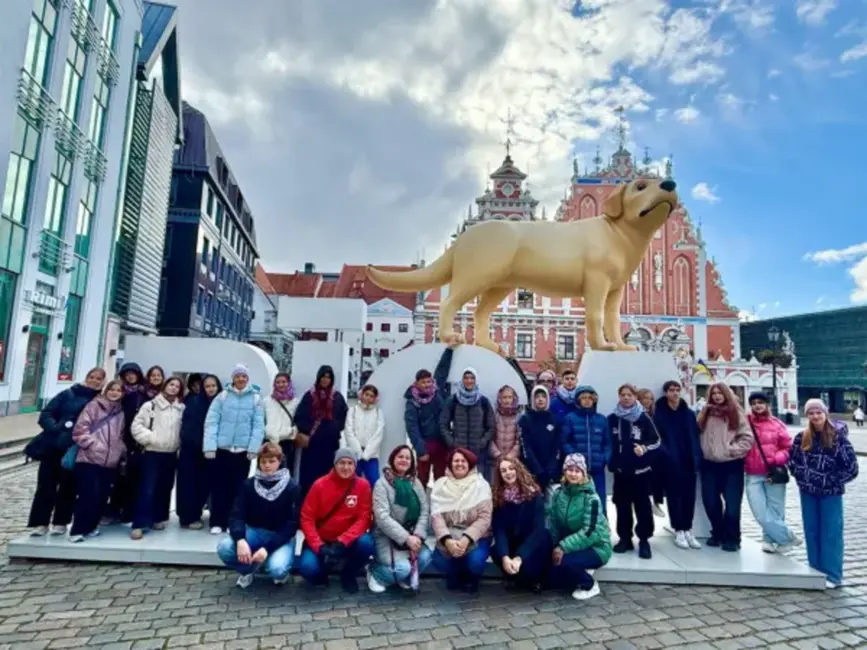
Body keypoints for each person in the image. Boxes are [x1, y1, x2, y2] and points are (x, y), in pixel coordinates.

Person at [26, 367, 105, 536]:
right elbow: (47, 413)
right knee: (46, 486)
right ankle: (40, 523)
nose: (95, 381)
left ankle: (60, 522)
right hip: (54, 446)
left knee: (68, 487)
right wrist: (56, 429)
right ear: (86, 377)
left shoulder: (99, 400)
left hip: (75, 448)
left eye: (99, 378)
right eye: (92, 377)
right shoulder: (68, 393)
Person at [789, 399, 858, 588]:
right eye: (811, 413)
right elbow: (793, 461)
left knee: (831, 532)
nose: (815, 416)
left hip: (830, 493)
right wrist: (802, 477)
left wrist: (830, 480)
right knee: (811, 530)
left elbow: (851, 468)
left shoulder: (838, 438)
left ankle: (833, 574)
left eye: (818, 412)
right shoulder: (801, 437)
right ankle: (815, 570)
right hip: (808, 491)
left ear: (825, 413)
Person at [217, 442, 302, 588]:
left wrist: (267, 549)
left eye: (271, 461)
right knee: (225, 548)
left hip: (280, 536)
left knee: (277, 568)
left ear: (279, 461)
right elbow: (237, 515)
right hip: (255, 531)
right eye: (263, 461)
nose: (267, 465)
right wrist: (240, 540)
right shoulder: (248, 485)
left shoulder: (292, 487)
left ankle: (276, 567)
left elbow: (291, 525)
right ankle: (247, 570)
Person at [298, 448, 374, 593]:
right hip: (322, 539)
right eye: (342, 463)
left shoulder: (363, 485)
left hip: (347, 541)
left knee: (367, 543)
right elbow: (307, 518)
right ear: (335, 464)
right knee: (308, 568)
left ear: (355, 466)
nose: (346, 467)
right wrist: (318, 545)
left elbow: (364, 518)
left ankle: (348, 573)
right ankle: (322, 572)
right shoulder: (319, 485)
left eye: (350, 463)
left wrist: (344, 540)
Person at [204, 364, 266, 534]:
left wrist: (253, 447)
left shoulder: (255, 398)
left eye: (244, 376)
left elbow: (258, 426)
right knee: (219, 488)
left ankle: (234, 523)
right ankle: (217, 521)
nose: (241, 379)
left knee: (238, 490)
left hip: (242, 452)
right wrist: (210, 446)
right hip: (222, 450)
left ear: (248, 378)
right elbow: (212, 422)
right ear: (233, 378)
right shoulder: (222, 397)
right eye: (238, 376)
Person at [367, 445, 433, 593]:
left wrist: (417, 535)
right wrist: (406, 538)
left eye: (408, 458)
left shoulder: (415, 483)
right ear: (393, 459)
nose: (404, 460)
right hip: (387, 537)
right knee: (402, 568)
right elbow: (382, 517)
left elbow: (424, 510)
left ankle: (401, 578)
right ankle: (376, 573)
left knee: (426, 556)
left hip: (412, 535)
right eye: (400, 457)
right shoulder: (381, 484)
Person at [547, 454, 612, 600]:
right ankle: (579, 568)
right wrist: (551, 545)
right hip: (572, 544)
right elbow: (554, 523)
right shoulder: (559, 494)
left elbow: (590, 532)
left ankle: (589, 584)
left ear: (583, 473)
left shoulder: (592, 499)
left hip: (596, 547)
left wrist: (562, 547)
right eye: (570, 469)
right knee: (551, 576)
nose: (573, 474)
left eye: (578, 470)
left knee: (566, 563)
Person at [697, 382, 754, 551]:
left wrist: (731, 450)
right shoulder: (705, 413)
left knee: (732, 505)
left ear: (726, 394)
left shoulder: (735, 412)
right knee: (711, 503)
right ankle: (718, 533)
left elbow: (747, 438)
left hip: (731, 465)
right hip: (709, 465)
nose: (716, 396)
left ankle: (733, 538)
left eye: (720, 393)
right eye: (713, 393)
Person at [69, 380, 127, 542]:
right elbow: (80, 431)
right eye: (112, 389)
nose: (115, 393)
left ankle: (92, 526)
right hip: (89, 458)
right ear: (105, 390)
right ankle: (78, 530)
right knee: (88, 495)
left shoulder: (120, 412)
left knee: (102, 496)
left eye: (118, 390)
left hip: (110, 461)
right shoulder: (93, 406)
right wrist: (93, 445)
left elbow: (120, 435)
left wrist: (119, 450)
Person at [608, 383, 660, 559]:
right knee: (622, 507)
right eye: (623, 394)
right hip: (622, 472)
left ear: (635, 397)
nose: (626, 397)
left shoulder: (644, 418)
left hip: (641, 472)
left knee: (643, 507)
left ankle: (644, 540)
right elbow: (609, 443)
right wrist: (612, 461)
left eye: (630, 394)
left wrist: (644, 448)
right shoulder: (613, 418)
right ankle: (625, 539)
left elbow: (656, 441)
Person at [430, 448, 493, 593]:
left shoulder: (481, 485)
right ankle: (455, 572)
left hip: (477, 537)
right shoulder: (440, 485)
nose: (459, 464)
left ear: (469, 464)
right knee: (437, 560)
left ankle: (471, 577)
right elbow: (436, 516)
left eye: (463, 461)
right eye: (456, 461)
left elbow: (484, 518)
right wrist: (448, 541)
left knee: (475, 563)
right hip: (451, 535)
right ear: (450, 464)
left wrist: (466, 539)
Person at [130, 376, 185, 540]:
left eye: (177, 386)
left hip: (171, 453)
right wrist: (151, 438)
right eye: (171, 384)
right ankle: (139, 523)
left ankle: (158, 518)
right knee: (147, 488)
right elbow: (137, 426)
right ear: (165, 386)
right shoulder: (150, 405)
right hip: (152, 453)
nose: (174, 388)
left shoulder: (181, 408)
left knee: (165, 487)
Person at [744, 391, 799, 553]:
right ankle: (788, 537)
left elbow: (788, 447)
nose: (757, 406)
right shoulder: (745, 422)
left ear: (767, 404)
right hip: (752, 473)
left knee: (776, 509)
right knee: (760, 511)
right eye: (754, 403)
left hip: (773, 472)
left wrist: (778, 458)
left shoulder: (777, 424)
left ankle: (770, 539)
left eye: (760, 402)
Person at [107, 363, 162, 524]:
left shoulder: (142, 394)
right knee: (119, 479)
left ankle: (130, 512)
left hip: (140, 442)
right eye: (127, 374)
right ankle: (115, 510)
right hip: (121, 440)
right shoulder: (121, 393)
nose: (130, 377)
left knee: (136, 480)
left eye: (133, 374)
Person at [652, 381, 702, 550]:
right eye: (671, 390)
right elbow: (658, 437)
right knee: (675, 498)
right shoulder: (659, 413)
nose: (674, 393)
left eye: (677, 390)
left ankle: (688, 529)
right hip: (670, 462)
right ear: (665, 393)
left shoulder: (688, 413)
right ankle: (678, 529)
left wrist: (696, 457)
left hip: (688, 461)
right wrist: (666, 455)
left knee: (689, 497)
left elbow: (695, 436)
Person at [491, 457, 550, 592]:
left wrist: (519, 557)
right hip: (513, 541)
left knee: (529, 569)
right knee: (497, 551)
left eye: (512, 468)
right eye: (503, 470)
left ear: (518, 470)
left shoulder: (533, 493)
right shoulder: (498, 497)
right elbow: (499, 530)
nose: (508, 473)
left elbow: (538, 530)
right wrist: (505, 557)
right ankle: (513, 576)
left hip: (533, 543)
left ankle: (536, 580)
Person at [404, 344, 456, 487]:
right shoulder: (412, 401)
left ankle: (439, 507)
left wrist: (450, 350)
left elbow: (442, 370)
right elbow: (411, 427)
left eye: (428, 381)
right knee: (421, 480)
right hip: (425, 444)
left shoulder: (437, 391)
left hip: (442, 442)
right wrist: (421, 450)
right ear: (417, 383)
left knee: (442, 480)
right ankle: (421, 508)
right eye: (423, 382)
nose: (427, 384)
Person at [294, 365, 349, 497]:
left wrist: (333, 428)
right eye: (323, 377)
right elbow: (299, 417)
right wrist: (309, 429)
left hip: (329, 445)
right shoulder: (310, 395)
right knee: (309, 478)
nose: (325, 380)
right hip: (312, 445)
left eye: (328, 377)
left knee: (328, 476)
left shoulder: (337, 397)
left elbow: (343, 417)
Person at [177, 374, 222, 529]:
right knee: (190, 485)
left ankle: (200, 514)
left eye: (213, 386)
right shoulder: (195, 403)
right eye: (207, 386)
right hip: (192, 451)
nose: (210, 389)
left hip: (213, 453)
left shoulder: (222, 403)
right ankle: (187, 517)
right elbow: (188, 428)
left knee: (205, 485)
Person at [440, 368, 496, 478]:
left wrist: (482, 442)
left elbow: (491, 426)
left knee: (478, 484)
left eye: (472, 378)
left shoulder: (483, 401)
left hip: (478, 452)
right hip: (459, 452)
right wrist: (452, 443)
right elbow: (443, 424)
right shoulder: (453, 400)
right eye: (466, 378)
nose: (469, 381)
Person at [561, 385, 610, 506]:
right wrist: (574, 458)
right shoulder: (570, 418)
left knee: (599, 502)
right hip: (576, 471)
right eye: (584, 398)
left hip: (597, 469)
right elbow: (563, 441)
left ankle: (602, 524)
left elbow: (607, 443)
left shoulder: (602, 420)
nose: (587, 400)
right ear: (578, 400)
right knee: (578, 504)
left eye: (590, 398)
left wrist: (604, 459)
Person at [518, 385, 561, 490]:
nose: (540, 399)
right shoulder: (526, 419)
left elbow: (557, 445)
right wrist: (536, 468)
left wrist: (552, 466)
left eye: (543, 396)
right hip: (532, 469)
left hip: (550, 470)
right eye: (537, 397)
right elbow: (525, 445)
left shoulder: (553, 419)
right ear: (533, 399)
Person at [342, 384, 385, 486]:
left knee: (374, 482)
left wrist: (366, 454)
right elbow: (349, 431)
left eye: (371, 396)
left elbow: (378, 435)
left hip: (371, 455)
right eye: (366, 394)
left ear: (375, 399)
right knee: (351, 483)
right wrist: (358, 452)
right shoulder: (353, 410)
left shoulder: (378, 412)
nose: (368, 398)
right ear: (361, 395)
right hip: (354, 454)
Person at [638, 388, 665, 518]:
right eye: (644, 398)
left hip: (655, 451)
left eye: (650, 398)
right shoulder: (637, 415)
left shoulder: (656, 414)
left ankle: (657, 502)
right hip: (641, 451)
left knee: (657, 476)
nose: (647, 401)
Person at [264, 373, 299, 470]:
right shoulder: (267, 401)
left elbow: (298, 422)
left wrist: (290, 432)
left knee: (285, 471)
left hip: (286, 442)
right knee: (268, 470)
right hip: (269, 442)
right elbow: (262, 420)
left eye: (284, 382)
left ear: (289, 383)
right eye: (278, 382)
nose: (281, 384)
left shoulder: (295, 402)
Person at [489, 386, 522, 472]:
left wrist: (511, 455)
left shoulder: (519, 416)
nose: (507, 400)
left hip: (512, 460)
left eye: (509, 397)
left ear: (513, 398)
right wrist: (497, 454)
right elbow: (490, 437)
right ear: (500, 398)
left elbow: (520, 439)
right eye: (504, 397)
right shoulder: (495, 415)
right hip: (495, 460)